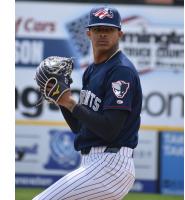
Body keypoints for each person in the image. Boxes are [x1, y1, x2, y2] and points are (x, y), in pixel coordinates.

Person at [33, 6, 142, 200]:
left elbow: (110, 130)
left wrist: (72, 103)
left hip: (110, 165)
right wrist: (61, 100)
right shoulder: (92, 70)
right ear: (88, 33)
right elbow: (80, 128)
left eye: (108, 30)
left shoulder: (120, 71)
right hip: (93, 162)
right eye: (98, 29)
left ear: (119, 34)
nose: (103, 34)